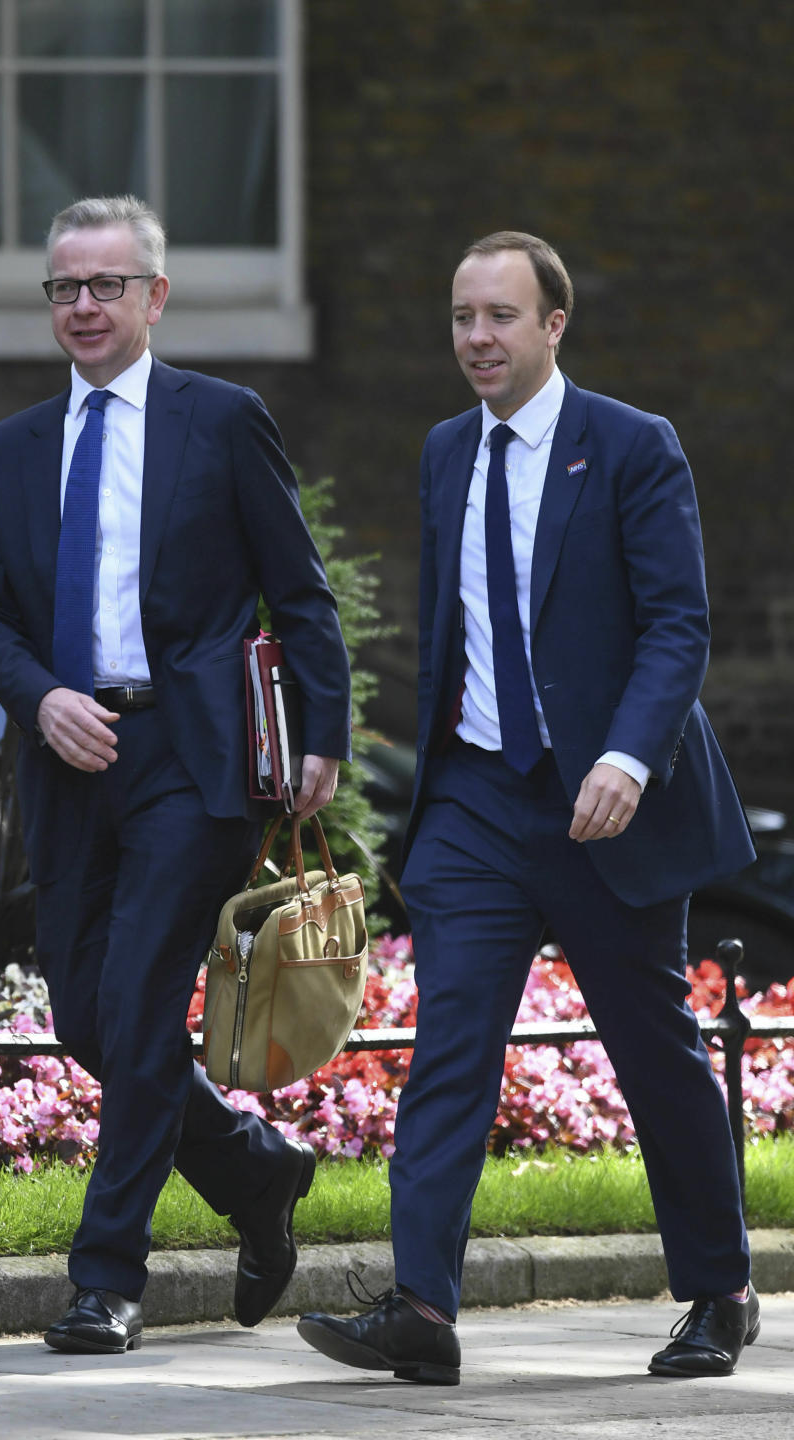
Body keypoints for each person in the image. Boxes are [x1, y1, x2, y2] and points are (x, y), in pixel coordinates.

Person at [297, 231, 759, 1384]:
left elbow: (677, 626)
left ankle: (720, 1289)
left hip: (605, 805)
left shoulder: (631, 446)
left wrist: (628, 758)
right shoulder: (446, 450)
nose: (476, 340)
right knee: (452, 1043)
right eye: (461, 317)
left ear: (555, 325)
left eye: (500, 317)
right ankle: (423, 1308)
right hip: (475, 805)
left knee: (655, 1051)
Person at [0, 193, 351, 1354]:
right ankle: (255, 1171)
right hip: (70, 762)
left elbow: (303, 588)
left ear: (155, 296)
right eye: (65, 288)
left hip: (191, 757)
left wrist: (318, 734)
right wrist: (40, 697)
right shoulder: (7, 452)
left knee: (135, 1005)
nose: (84, 305)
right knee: (89, 1018)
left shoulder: (222, 421)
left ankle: (106, 1279)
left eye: (107, 285)